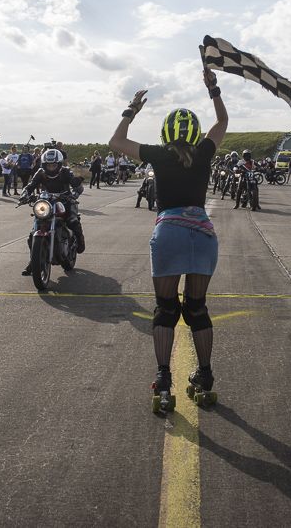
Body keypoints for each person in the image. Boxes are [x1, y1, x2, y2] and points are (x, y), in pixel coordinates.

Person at [108, 65, 228, 403]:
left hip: (169, 233)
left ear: (166, 133)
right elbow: (222, 123)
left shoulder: (159, 154)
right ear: (194, 134)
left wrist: (131, 110)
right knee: (197, 308)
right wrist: (213, 88)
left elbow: (115, 141)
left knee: (165, 308)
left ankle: (163, 381)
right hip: (203, 235)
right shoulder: (205, 153)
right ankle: (204, 375)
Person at [18, 148, 86, 273]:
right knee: (35, 231)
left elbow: (77, 186)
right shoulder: (40, 172)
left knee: (73, 220)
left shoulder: (66, 171)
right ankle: (34, 261)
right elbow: (31, 185)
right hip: (47, 201)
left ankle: (80, 240)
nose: (51, 168)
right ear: (44, 165)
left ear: (59, 164)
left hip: (65, 199)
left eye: (54, 165)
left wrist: (75, 192)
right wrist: (25, 194)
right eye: (49, 165)